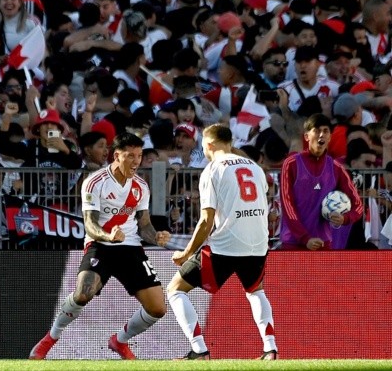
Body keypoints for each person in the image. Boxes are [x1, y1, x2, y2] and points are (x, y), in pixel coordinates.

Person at [29, 132, 171, 360]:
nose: (136, 161)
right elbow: (90, 224)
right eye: (130, 156)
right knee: (83, 293)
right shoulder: (95, 182)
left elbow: (144, 225)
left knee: (158, 309)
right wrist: (108, 235)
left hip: (130, 247)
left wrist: (156, 237)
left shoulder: (141, 187)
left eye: (139, 156)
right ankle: (50, 338)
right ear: (117, 156)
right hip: (100, 245)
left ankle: (119, 341)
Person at [166, 124, 278, 360]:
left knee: (175, 289)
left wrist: (187, 252)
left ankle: (199, 350)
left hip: (226, 245)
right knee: (256, 291)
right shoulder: (255, 168)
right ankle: (270, 349)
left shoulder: (212, 169)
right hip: (258, 243)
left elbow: (206, 219)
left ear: (209, 144)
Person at [279, 114, 364, 250]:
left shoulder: (337, 168)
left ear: (330, 137)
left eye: (325, 131)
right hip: (293, 243)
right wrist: (305, 238)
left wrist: (345, 218)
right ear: (306, 136)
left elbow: (358, 205)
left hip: (323, 243)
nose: (321, 135)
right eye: (316, 131)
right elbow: (287, 205)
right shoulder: (291, 164)